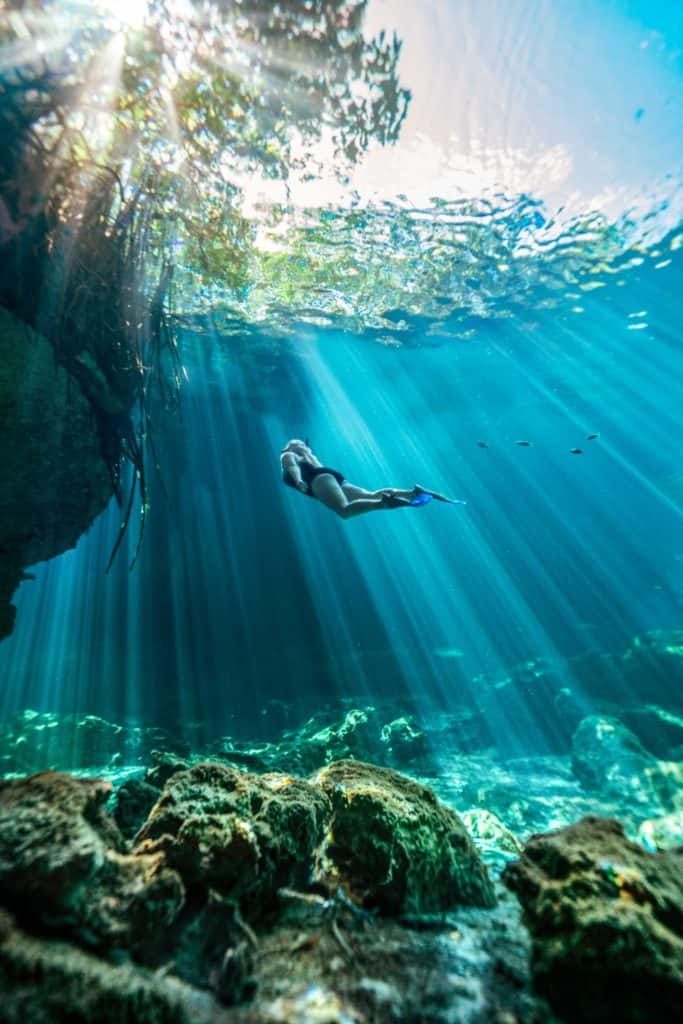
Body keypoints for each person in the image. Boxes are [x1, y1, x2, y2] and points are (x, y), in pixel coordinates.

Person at [280, 438, 462, 519]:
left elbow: (291, 466)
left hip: (317, 479)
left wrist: (298, 481)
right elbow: (313, 466)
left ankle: (383, 504)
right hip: (330, 476)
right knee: (371, 495)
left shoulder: (288, 454)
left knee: (345, 511)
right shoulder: (309, 454)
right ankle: (411, 493)